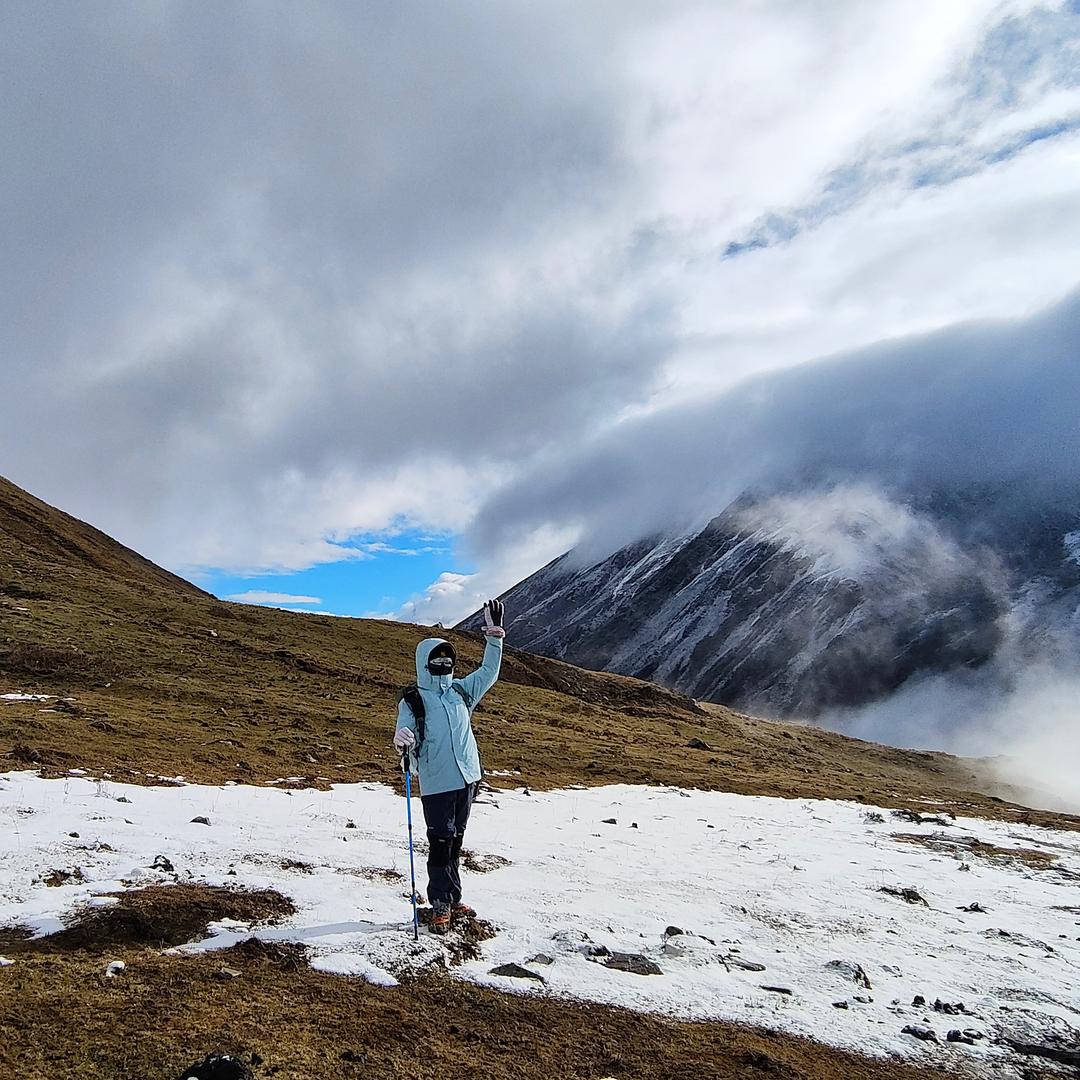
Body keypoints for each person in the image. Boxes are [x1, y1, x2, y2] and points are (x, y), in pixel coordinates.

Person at [393, 599, 505, 934]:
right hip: (437, 782)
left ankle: (454, 898)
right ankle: (439, 902)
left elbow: (488, 673)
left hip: (468, 777)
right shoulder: (413, 700)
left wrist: (495, 636)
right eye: (436, 659)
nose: (443, 663)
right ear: (424, 663)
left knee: (455, 841)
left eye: (447, 658)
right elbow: (403, 736)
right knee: (441, 842)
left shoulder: (460, 692)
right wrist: (401, 739)